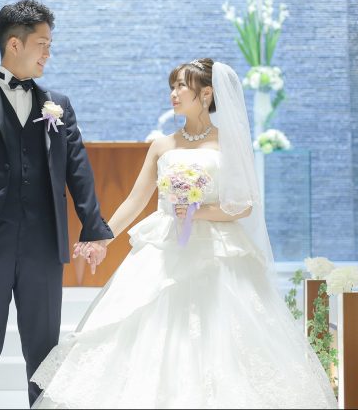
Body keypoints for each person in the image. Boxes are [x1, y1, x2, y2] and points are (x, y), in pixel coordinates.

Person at [31, 58, 337, 409]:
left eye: (181, 86)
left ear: (206, 94)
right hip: (164, 248)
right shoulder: (162, 145)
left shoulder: (229, 143)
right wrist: (101, 238)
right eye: (172, 86)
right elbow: (135, 200)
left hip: (219, 249)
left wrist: (199, 211)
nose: (173, 94)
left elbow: (244, 206)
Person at [0, 0, 114, 409]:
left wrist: (93, 227)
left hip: (43, 245)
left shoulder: (58, 104)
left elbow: (78, 169)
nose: (48, 53)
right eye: (43, 44)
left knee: (45, 353)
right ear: (14, 44)